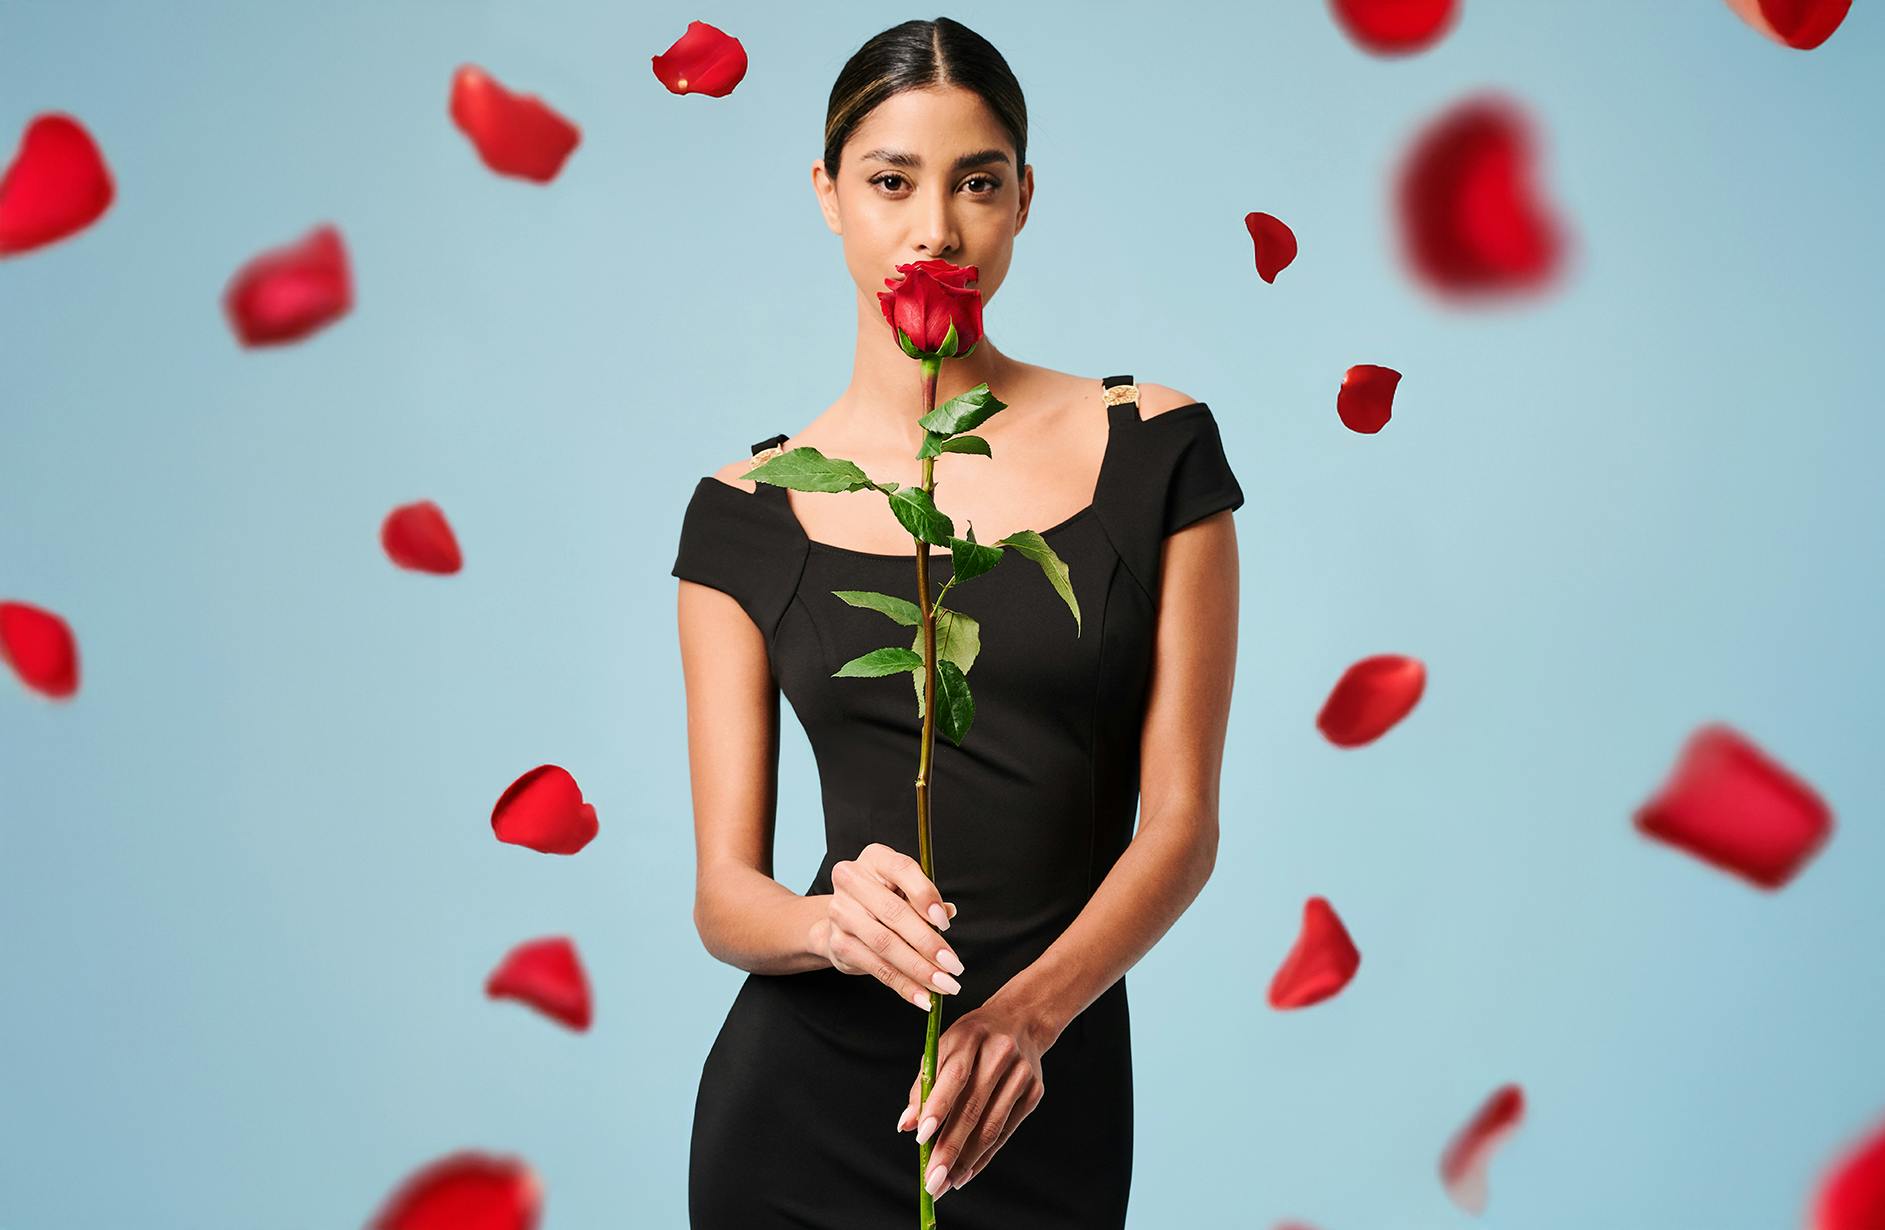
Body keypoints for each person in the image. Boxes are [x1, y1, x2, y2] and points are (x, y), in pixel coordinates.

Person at [672, 17, 1244, 1227]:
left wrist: (1026, 1019)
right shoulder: (742, 513)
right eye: (890, 182)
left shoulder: (1154, 450)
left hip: (1041, 1094)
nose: (934, 229)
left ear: (1025, 198)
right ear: (829, 196)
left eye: (977, 183)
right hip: (797, 1119)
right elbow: (725, 893)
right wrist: (831, 925)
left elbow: (1181, 825)